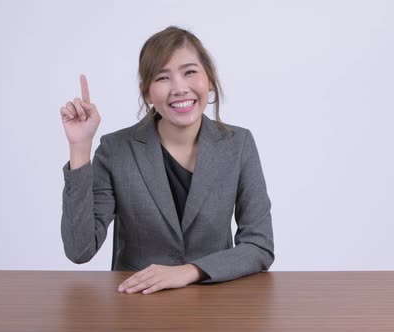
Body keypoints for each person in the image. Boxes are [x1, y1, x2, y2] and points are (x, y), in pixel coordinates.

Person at [59, 26, 274, 295]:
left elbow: (259, 246)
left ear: (209, 80)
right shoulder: (116, 150)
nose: (179, 88)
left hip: (216, 301)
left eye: (190, 72)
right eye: (163, 77)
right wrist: (80, 148)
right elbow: (80, 250)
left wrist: (189, 271)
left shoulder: (238, 144)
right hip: (138, 304)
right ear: (147, 92)